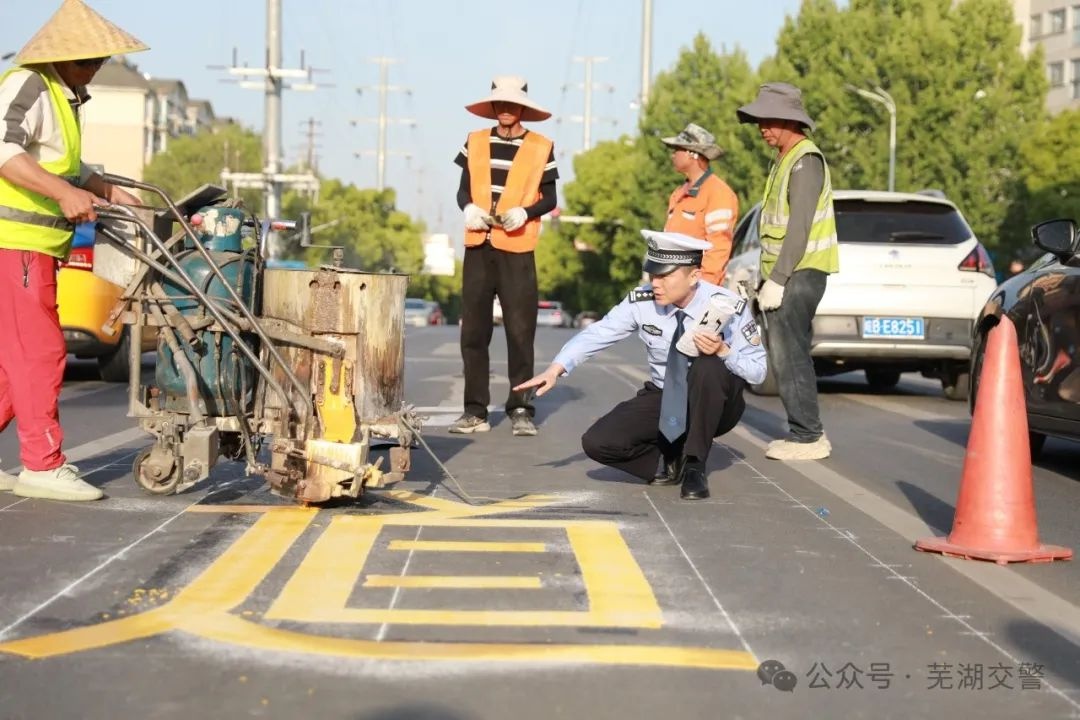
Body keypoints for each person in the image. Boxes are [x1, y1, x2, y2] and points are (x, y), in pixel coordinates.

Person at [0, 0, 146, 501]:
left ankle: (38, 459)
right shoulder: (29, 84)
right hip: (14, 244)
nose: (95, 70)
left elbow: (67, 166)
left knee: (11, 363)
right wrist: (64, 195)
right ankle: (42, 465)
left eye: (100, 62)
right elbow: (3, 148)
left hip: (34, 248)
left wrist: (107, 191)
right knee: (41, 352)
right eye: (89, 61)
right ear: (64, 56)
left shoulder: (65, 96)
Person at [515, 230, 767, 500]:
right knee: (598, 442)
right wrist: (556, 368)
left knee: (708, 366)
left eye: (664, 276)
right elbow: (600, 332)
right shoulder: (641, 301)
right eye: (652, 274)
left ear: (694, 276)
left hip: (717, 401)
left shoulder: (728, 306)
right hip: (665, 394)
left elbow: (759, 371)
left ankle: (695, 465)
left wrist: (723, 351)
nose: (655, 283)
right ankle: (670, 459)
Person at [450, 76, 559, 437]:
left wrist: (525, 213)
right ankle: (475, 411)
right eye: (502, 104)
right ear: (494, 107)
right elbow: (463, 190)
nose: (508, 110)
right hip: (479, 245)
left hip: (518, 248)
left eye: (514, 104)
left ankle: (521, 408)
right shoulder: (475, 141)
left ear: (523, 109)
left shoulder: (542, 146)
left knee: (520, 331)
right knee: (475, 333)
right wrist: (468, 208)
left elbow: (550, 198)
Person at [736, 82, 839, 461]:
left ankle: (808, 436)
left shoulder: (804, 161)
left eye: (767, 120)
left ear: (790, 120)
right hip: (788, 273)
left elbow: (799, 226)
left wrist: (778, 279)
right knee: (783, 353)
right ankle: (804, 432)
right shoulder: (783, 160)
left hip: (800, 272)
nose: (761, 128)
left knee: (790, 354)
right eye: (759, 121)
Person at [661, 123, 740, 286]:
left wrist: (704, 287)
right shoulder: (678, 194)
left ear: (693, 154)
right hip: (672, 285)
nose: (673, 155)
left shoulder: (718, 194)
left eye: (677, 150)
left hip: (695, 288)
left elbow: (718, 247)